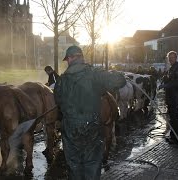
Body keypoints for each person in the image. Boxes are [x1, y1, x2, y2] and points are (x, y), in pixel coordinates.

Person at [54, 45, 126, 180]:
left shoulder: (61, 80)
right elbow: (121, 80)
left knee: (74, 165)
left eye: (67, 59)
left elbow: (58, 101)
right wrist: (106, 75)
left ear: (70, 58)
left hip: (70, 129)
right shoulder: (94, 74)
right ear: (81, 57)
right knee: (92, 163)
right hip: (91, 127)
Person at [158, 51, 178, 145]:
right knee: (172, 119)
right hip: (171, 98)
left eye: (173, 57)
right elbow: (171, 80)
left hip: (177, 99)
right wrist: (165, 79)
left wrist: (166, 85)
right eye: (169, 58)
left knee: (177, 119)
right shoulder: (171, 69)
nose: (171, 59)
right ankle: (173, 137)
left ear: (176, 58)